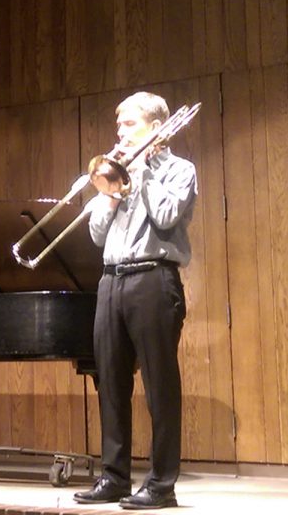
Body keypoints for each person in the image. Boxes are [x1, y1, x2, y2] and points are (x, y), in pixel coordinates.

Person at [73, 92, 197, 510]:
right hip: (111, 281)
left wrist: (141, 172)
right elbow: (96, 234)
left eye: (128, 125)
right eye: (118, 125)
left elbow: (165, 217)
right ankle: (114, 478)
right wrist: (110, 192)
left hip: (153, 280)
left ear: (155, 127)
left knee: (159, 386)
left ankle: (162, 485)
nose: (119, 133)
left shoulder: (180, 170)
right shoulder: (116, 173)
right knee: (110, 382)